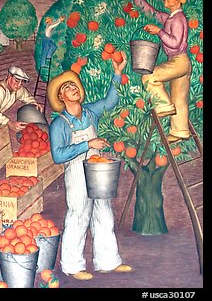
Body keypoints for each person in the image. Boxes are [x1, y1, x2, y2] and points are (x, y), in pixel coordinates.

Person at [47, 53, 132, 281]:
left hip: (96, 167)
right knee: (78, 213)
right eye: (67, 87)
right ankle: (72, 266)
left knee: (104, 212)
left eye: (74, 85)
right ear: (61, 96)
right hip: (75, 171)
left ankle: (108, 261)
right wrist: (87, 144)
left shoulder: (90, 113)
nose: (73, 88)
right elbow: (58, 155)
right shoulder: (59, 124)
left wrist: (117, 72)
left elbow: (110, 101)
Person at [123, 0, 191, 143]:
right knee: (179, 98)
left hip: (179, 60)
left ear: (177, 1)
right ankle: (180, 131)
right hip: (179, 61)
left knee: (149, 77)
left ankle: (163, 106)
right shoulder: (170, 17)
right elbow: (152, 13)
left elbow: (174, 43)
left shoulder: (179, 19)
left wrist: (158, 31)